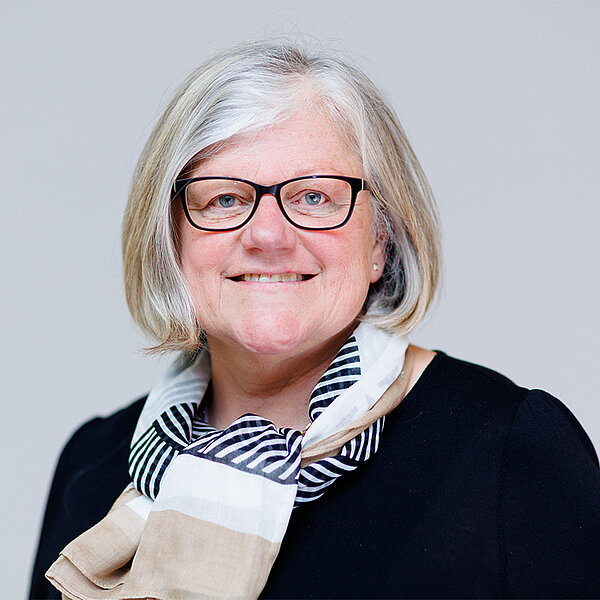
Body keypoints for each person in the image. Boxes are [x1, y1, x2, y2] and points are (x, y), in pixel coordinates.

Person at [30, 41, 600, 599]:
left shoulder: (510, 450)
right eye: (225, 199)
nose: (268, 236)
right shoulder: (93, 464)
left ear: (378, 242)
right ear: (171, 242)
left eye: (314, 197)